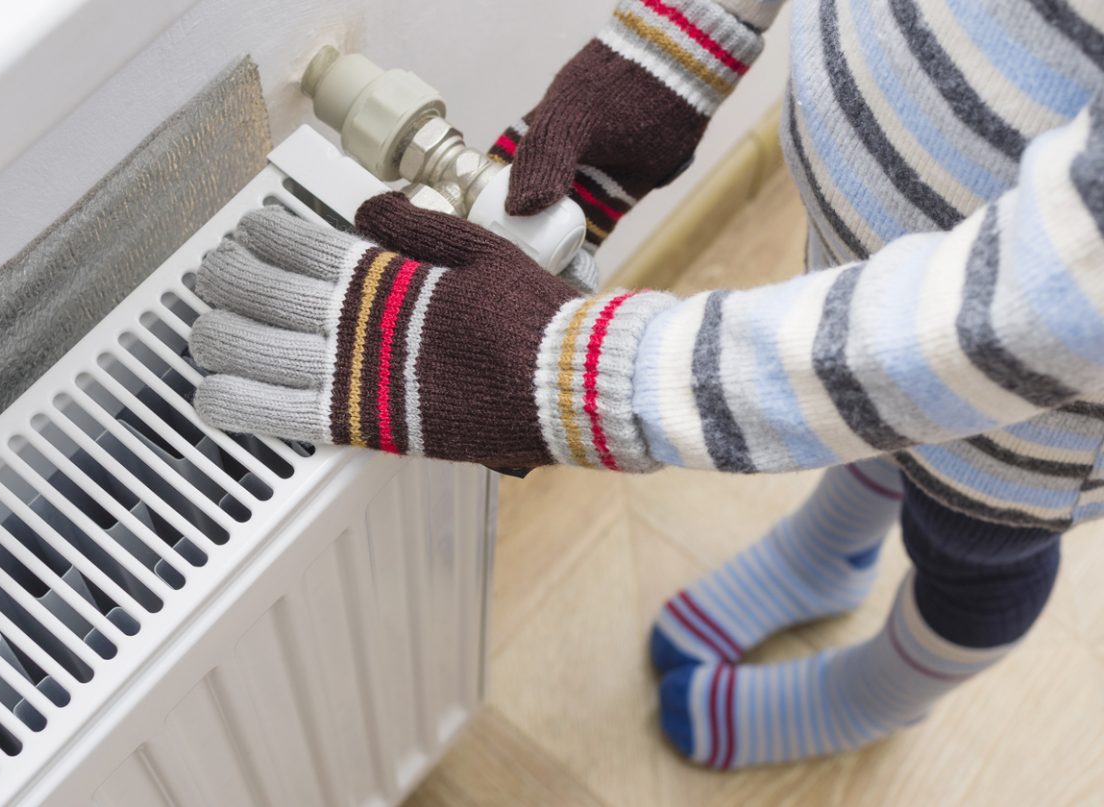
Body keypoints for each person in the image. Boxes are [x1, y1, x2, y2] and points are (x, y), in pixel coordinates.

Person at [186, 0, 1104, 769]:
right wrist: (678, 47)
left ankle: (882, 693)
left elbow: (1039, 307)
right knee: (885, 423)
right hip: (870, 262)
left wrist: (593, 378)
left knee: (971, 545)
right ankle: (830, 552)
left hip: (1039, 408)